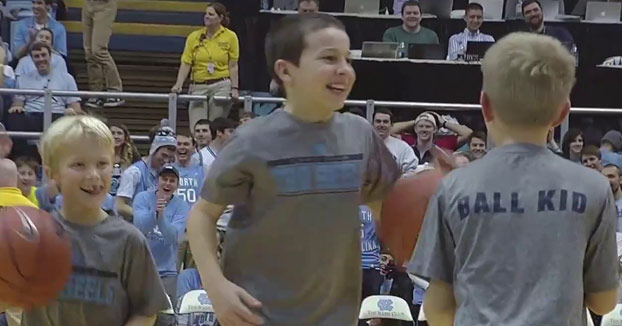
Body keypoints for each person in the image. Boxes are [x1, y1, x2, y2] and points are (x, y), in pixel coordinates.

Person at [187, 13, 400, 326]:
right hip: (256, 315)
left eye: (347, 59)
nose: (344, 69)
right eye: (329, 58)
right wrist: (215, 285)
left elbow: (391, 211)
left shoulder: (360, 134)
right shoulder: (251, 140)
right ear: (286, 71)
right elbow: (202, 216)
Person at [409, 32, 618, 325]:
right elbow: (604, 300)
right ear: (562, 113)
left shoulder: (454, 187)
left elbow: (437, 308)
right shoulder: (594, 187)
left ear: (485, 105)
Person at [21, 115, 170, 326]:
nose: (93, 175)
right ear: (52, 173)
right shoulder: (34, 237)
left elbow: (146, 312)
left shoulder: (128, 240)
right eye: (79, 164)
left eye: (102, 164)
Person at [172, 2, 240, 127]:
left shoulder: (231, 37)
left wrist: (235, 88)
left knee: (215, 126)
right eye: (206, 14)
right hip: (199, 85)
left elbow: (233, 65)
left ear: (220, 18)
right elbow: (186, 63)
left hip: (221, 85)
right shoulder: (195, 36)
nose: (206, 17)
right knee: (197, 127)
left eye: (211, 14)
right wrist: (178, 84)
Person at [133, 165, 190, 313]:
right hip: (141, 269)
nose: (167, 183)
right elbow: (140, 227)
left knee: (166, 316)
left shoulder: (182, 206)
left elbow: (173, 238)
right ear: (157, 181)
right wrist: (154, 213)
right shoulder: (142, 198)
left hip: (167, 272)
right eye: (164, 179)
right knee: (139, 313)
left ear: (177, 185)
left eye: (172, 180)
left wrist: (161, 217)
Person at [116, 127, 177, 221]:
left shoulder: (163, 173)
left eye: (170, 158)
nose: (166, 161)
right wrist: (145, 216)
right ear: (154, 150)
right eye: (164, 155)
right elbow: (120, 206)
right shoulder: (134, 172)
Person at [82, 0, 124, 108]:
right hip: (88, 4)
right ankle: (96, 92)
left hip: (104, 5)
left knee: (98, 49)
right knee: (89, 52)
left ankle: (115, 90)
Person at [373, 108, 418, 174]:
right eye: (378, 121)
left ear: (391, 125)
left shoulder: (403, 147)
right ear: (372, 123)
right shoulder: (363, 145)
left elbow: (411, 170)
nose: (381, 125)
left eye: (385, 122)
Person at [108, 123, 140, 196]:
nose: (116, 136)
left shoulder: (133, 156)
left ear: (125, 137)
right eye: (112, 133)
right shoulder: (100, 154)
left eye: (119, 133)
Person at [601, 164, 622, 232]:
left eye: (611, 176)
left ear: (620, 179)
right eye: (603, 177)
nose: (607, 180)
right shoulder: (599, 206)